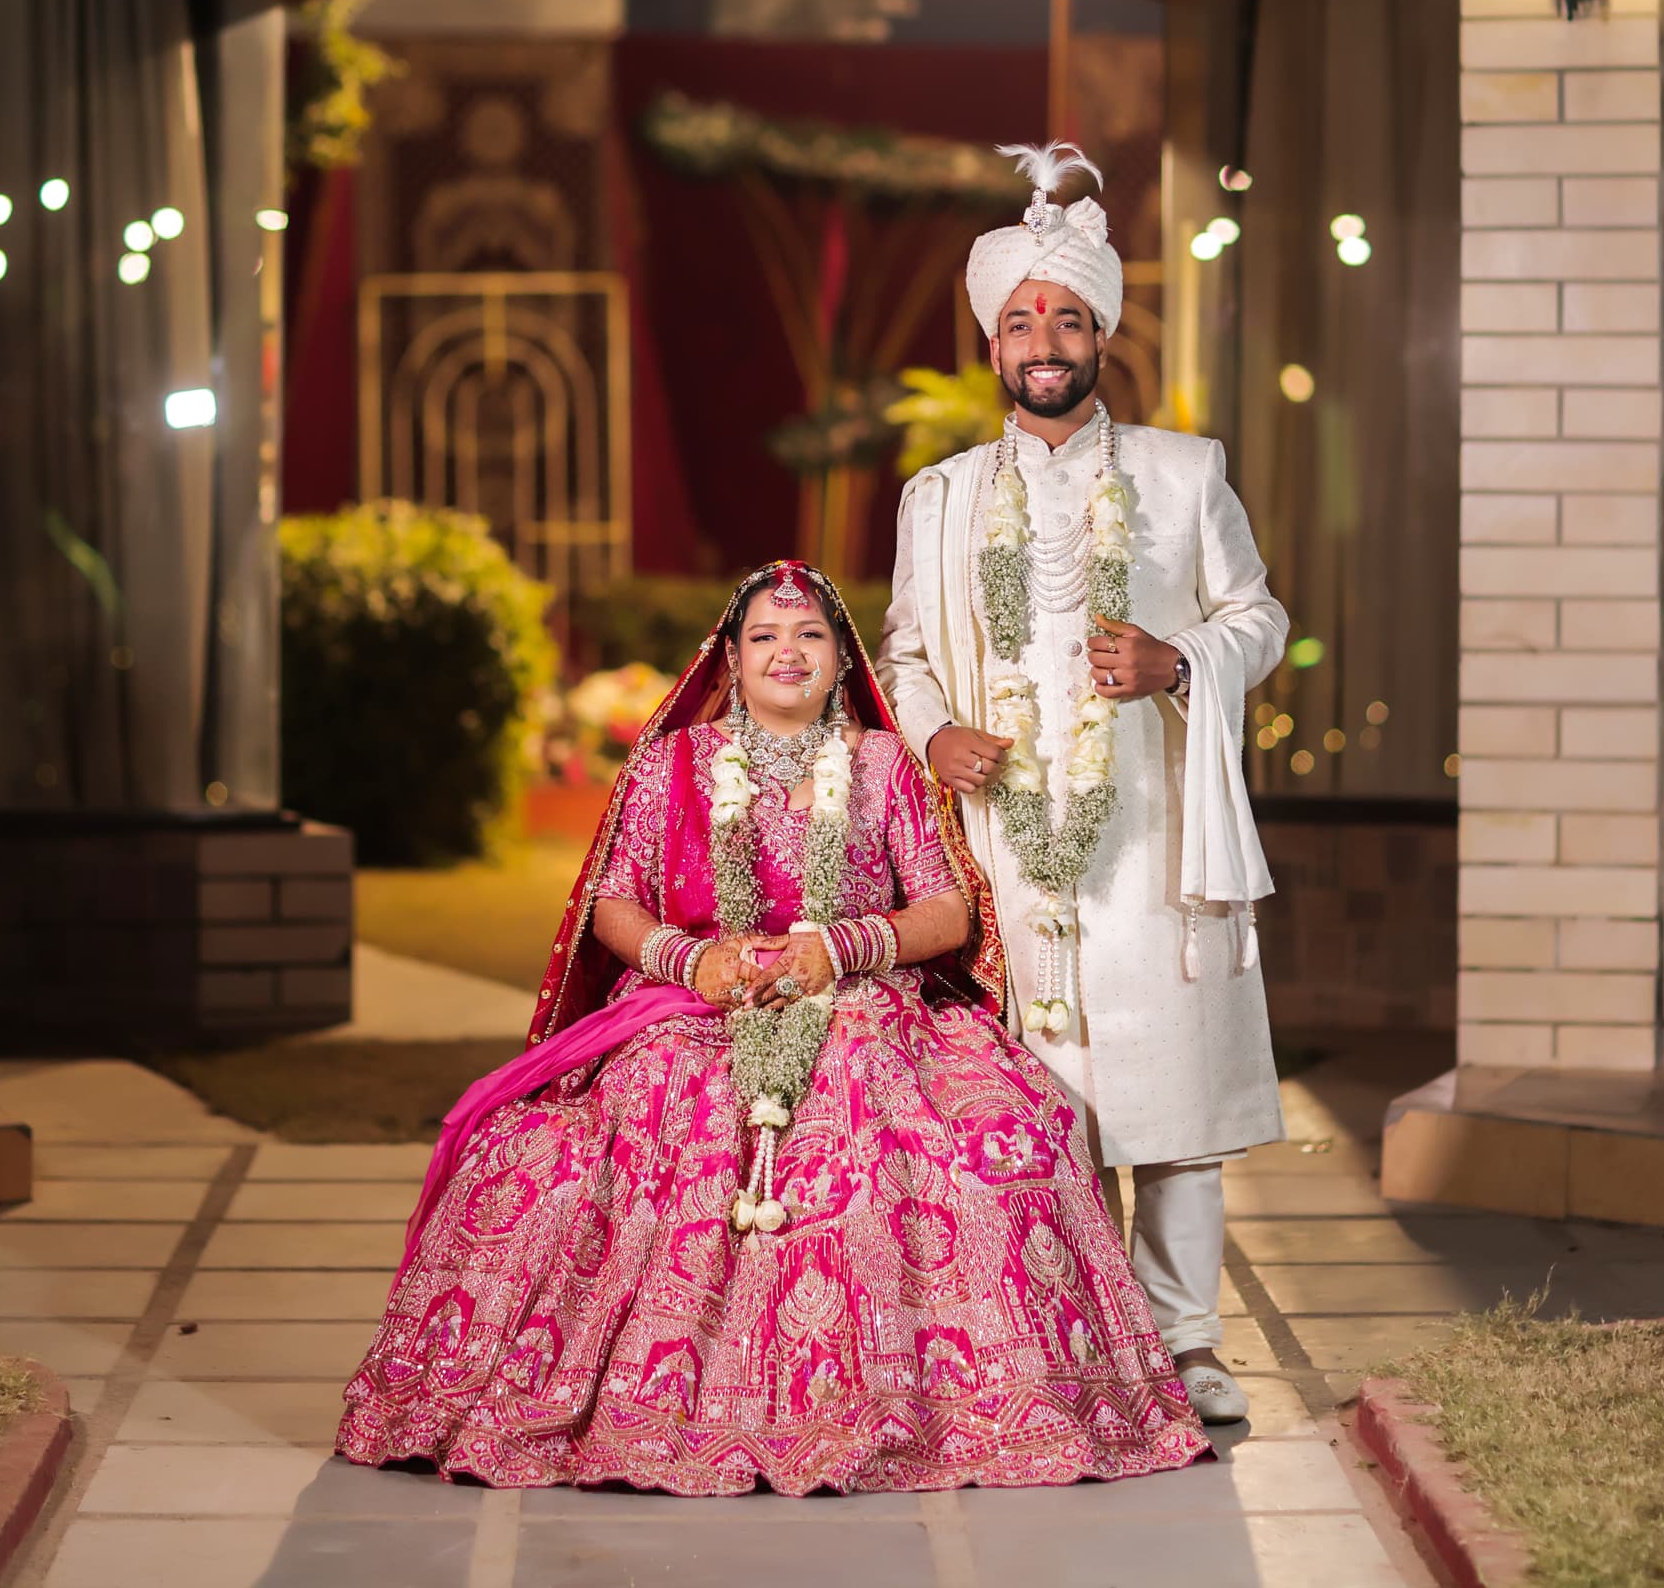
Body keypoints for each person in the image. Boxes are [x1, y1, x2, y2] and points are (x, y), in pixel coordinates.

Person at [335, 559, 1207, 1494]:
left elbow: (948, 910)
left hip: (865, 1000)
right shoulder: (674, 764)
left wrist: (841, 948)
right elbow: (614, 901)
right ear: (731, 657)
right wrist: (694, 961)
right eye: (763, 637)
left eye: (809, 636)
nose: (786, 652)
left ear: (842, 659)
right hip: (697, 1007)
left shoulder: (882, 763)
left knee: (982, 1126)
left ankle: (948, 1403)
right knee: (574, 1147)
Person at [877, 142, 1288, 1426]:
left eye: (1065, 314)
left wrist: (1181, 659)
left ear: (1100, 330)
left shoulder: (1183, 469)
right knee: (1033, 1100)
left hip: (1155, 834)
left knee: (1171, 1097)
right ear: (992, 347)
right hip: (1003, 840)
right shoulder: (937, 499)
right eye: (1018, 319)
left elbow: (1259, 615)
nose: (1042, 337)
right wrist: (936, 728)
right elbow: (897, 652)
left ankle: (1188, 1341)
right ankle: (1059, 1332)